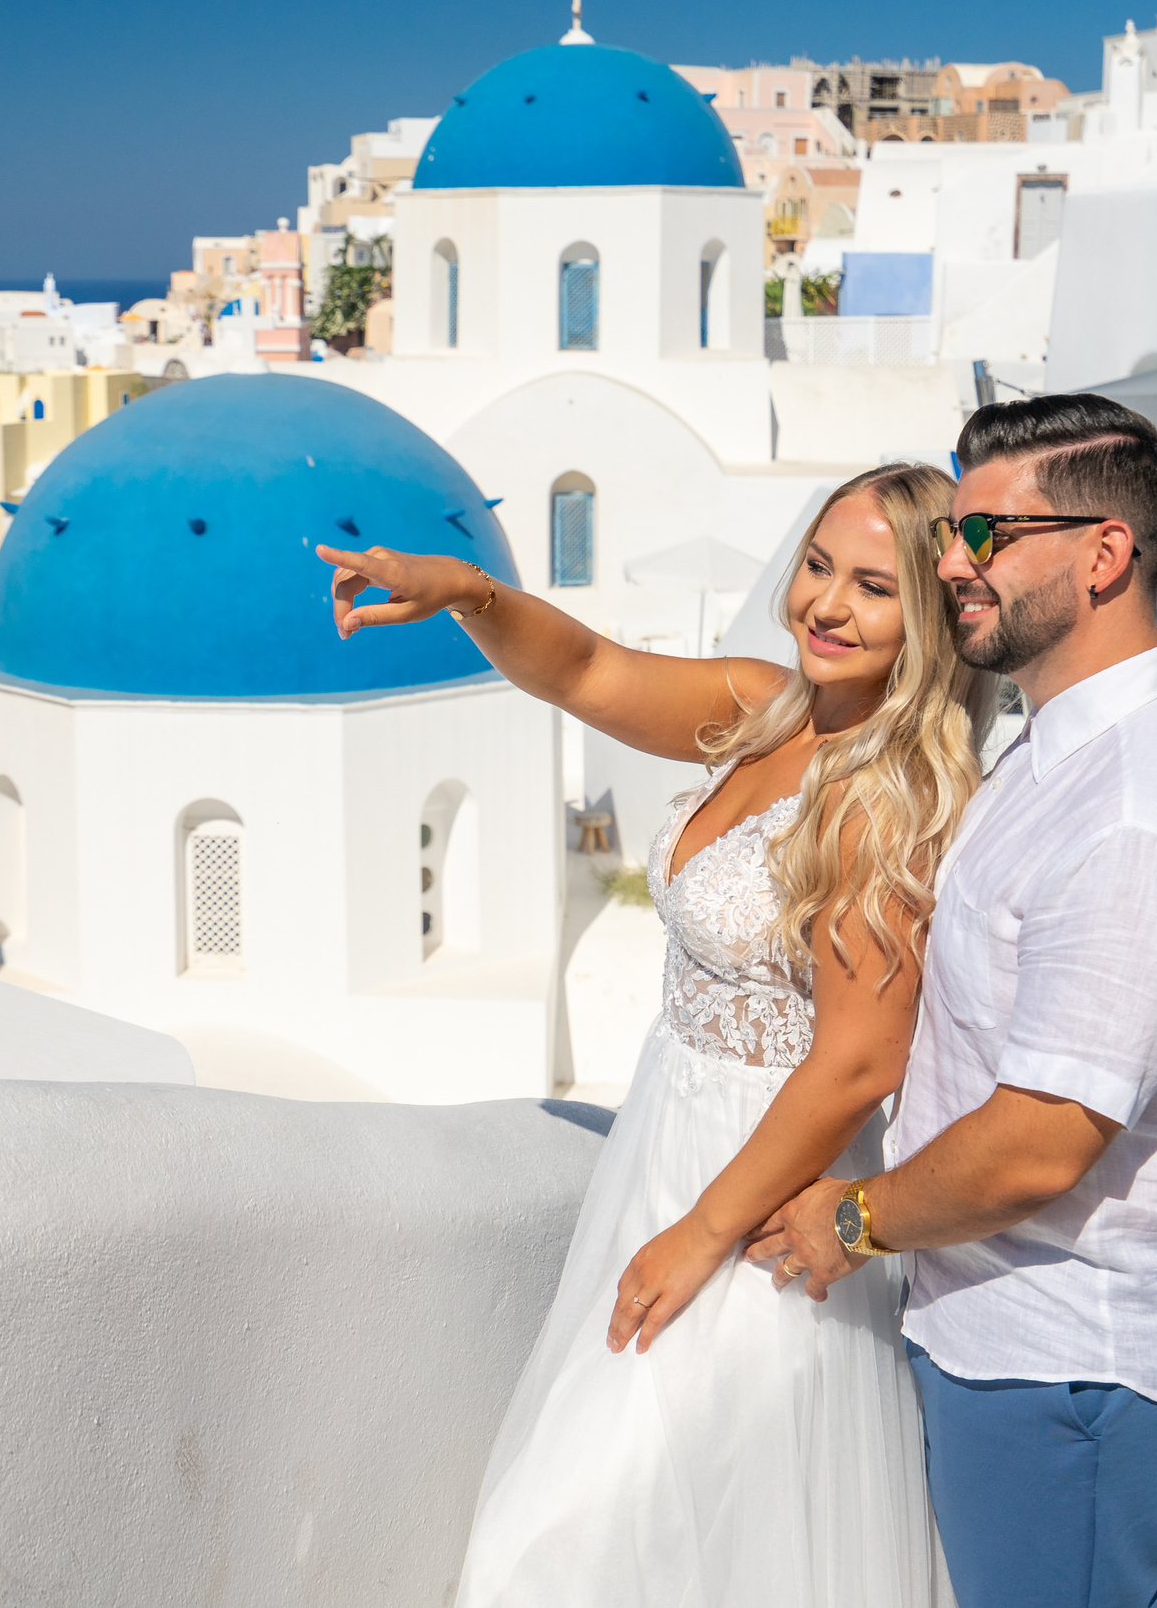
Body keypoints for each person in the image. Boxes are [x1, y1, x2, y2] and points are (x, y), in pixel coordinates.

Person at [316, 464, 1000, 1608]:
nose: (827, 605)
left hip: (761, 1197)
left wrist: (699, 1237)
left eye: (874, 588)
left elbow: (858, 1061)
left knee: (589, 1530)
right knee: (645, 1538)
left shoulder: (885, 799)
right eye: (819, 568)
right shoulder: (766, 707)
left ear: (929, 619)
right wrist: (470, 595)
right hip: (661, 1143)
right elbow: (590, 671)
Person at [750, 396, 1157, 1608]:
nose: (948, 562)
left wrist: (851, 1220)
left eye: (986, 535)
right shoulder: (1063, 741)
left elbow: (1043, 1140)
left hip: (1066, 1361)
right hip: (999, 1333)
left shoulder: (1141, 813)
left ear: (1103, 557)